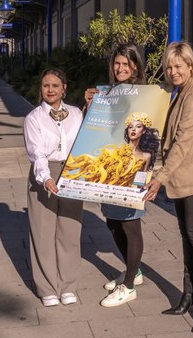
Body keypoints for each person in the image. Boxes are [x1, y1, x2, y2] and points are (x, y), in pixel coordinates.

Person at [143, 41, 193, 333]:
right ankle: (191, 295)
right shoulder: (180, 93)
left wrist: (159, 178)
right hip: (182, 178)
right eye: (169, 67)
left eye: (178, 66)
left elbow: (183, 142)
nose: (173, 71)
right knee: (187, 237)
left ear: (190, 66)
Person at [84, 44, 154, 307]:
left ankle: (129, 286)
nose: (121, 68)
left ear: (136, 66)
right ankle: (133, 272)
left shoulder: (145, 95)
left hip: (134, 169)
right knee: (113, 223)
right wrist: (90, 104)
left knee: (130, 225)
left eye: (127, 64)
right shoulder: (108, 93)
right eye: (117, 63)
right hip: (111, 169)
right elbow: (95, 128)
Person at [24, 68, 84, 307]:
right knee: (43, 233)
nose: (50, 90)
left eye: (55, 86)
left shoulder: (77, 113)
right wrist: (46, 178)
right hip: (44, 172)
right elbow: (36, 152)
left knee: (70, 231)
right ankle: (47, 287)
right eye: (45, 85)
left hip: (72, 172)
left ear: (64, 88)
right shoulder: (33, 118)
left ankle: (68, 286)